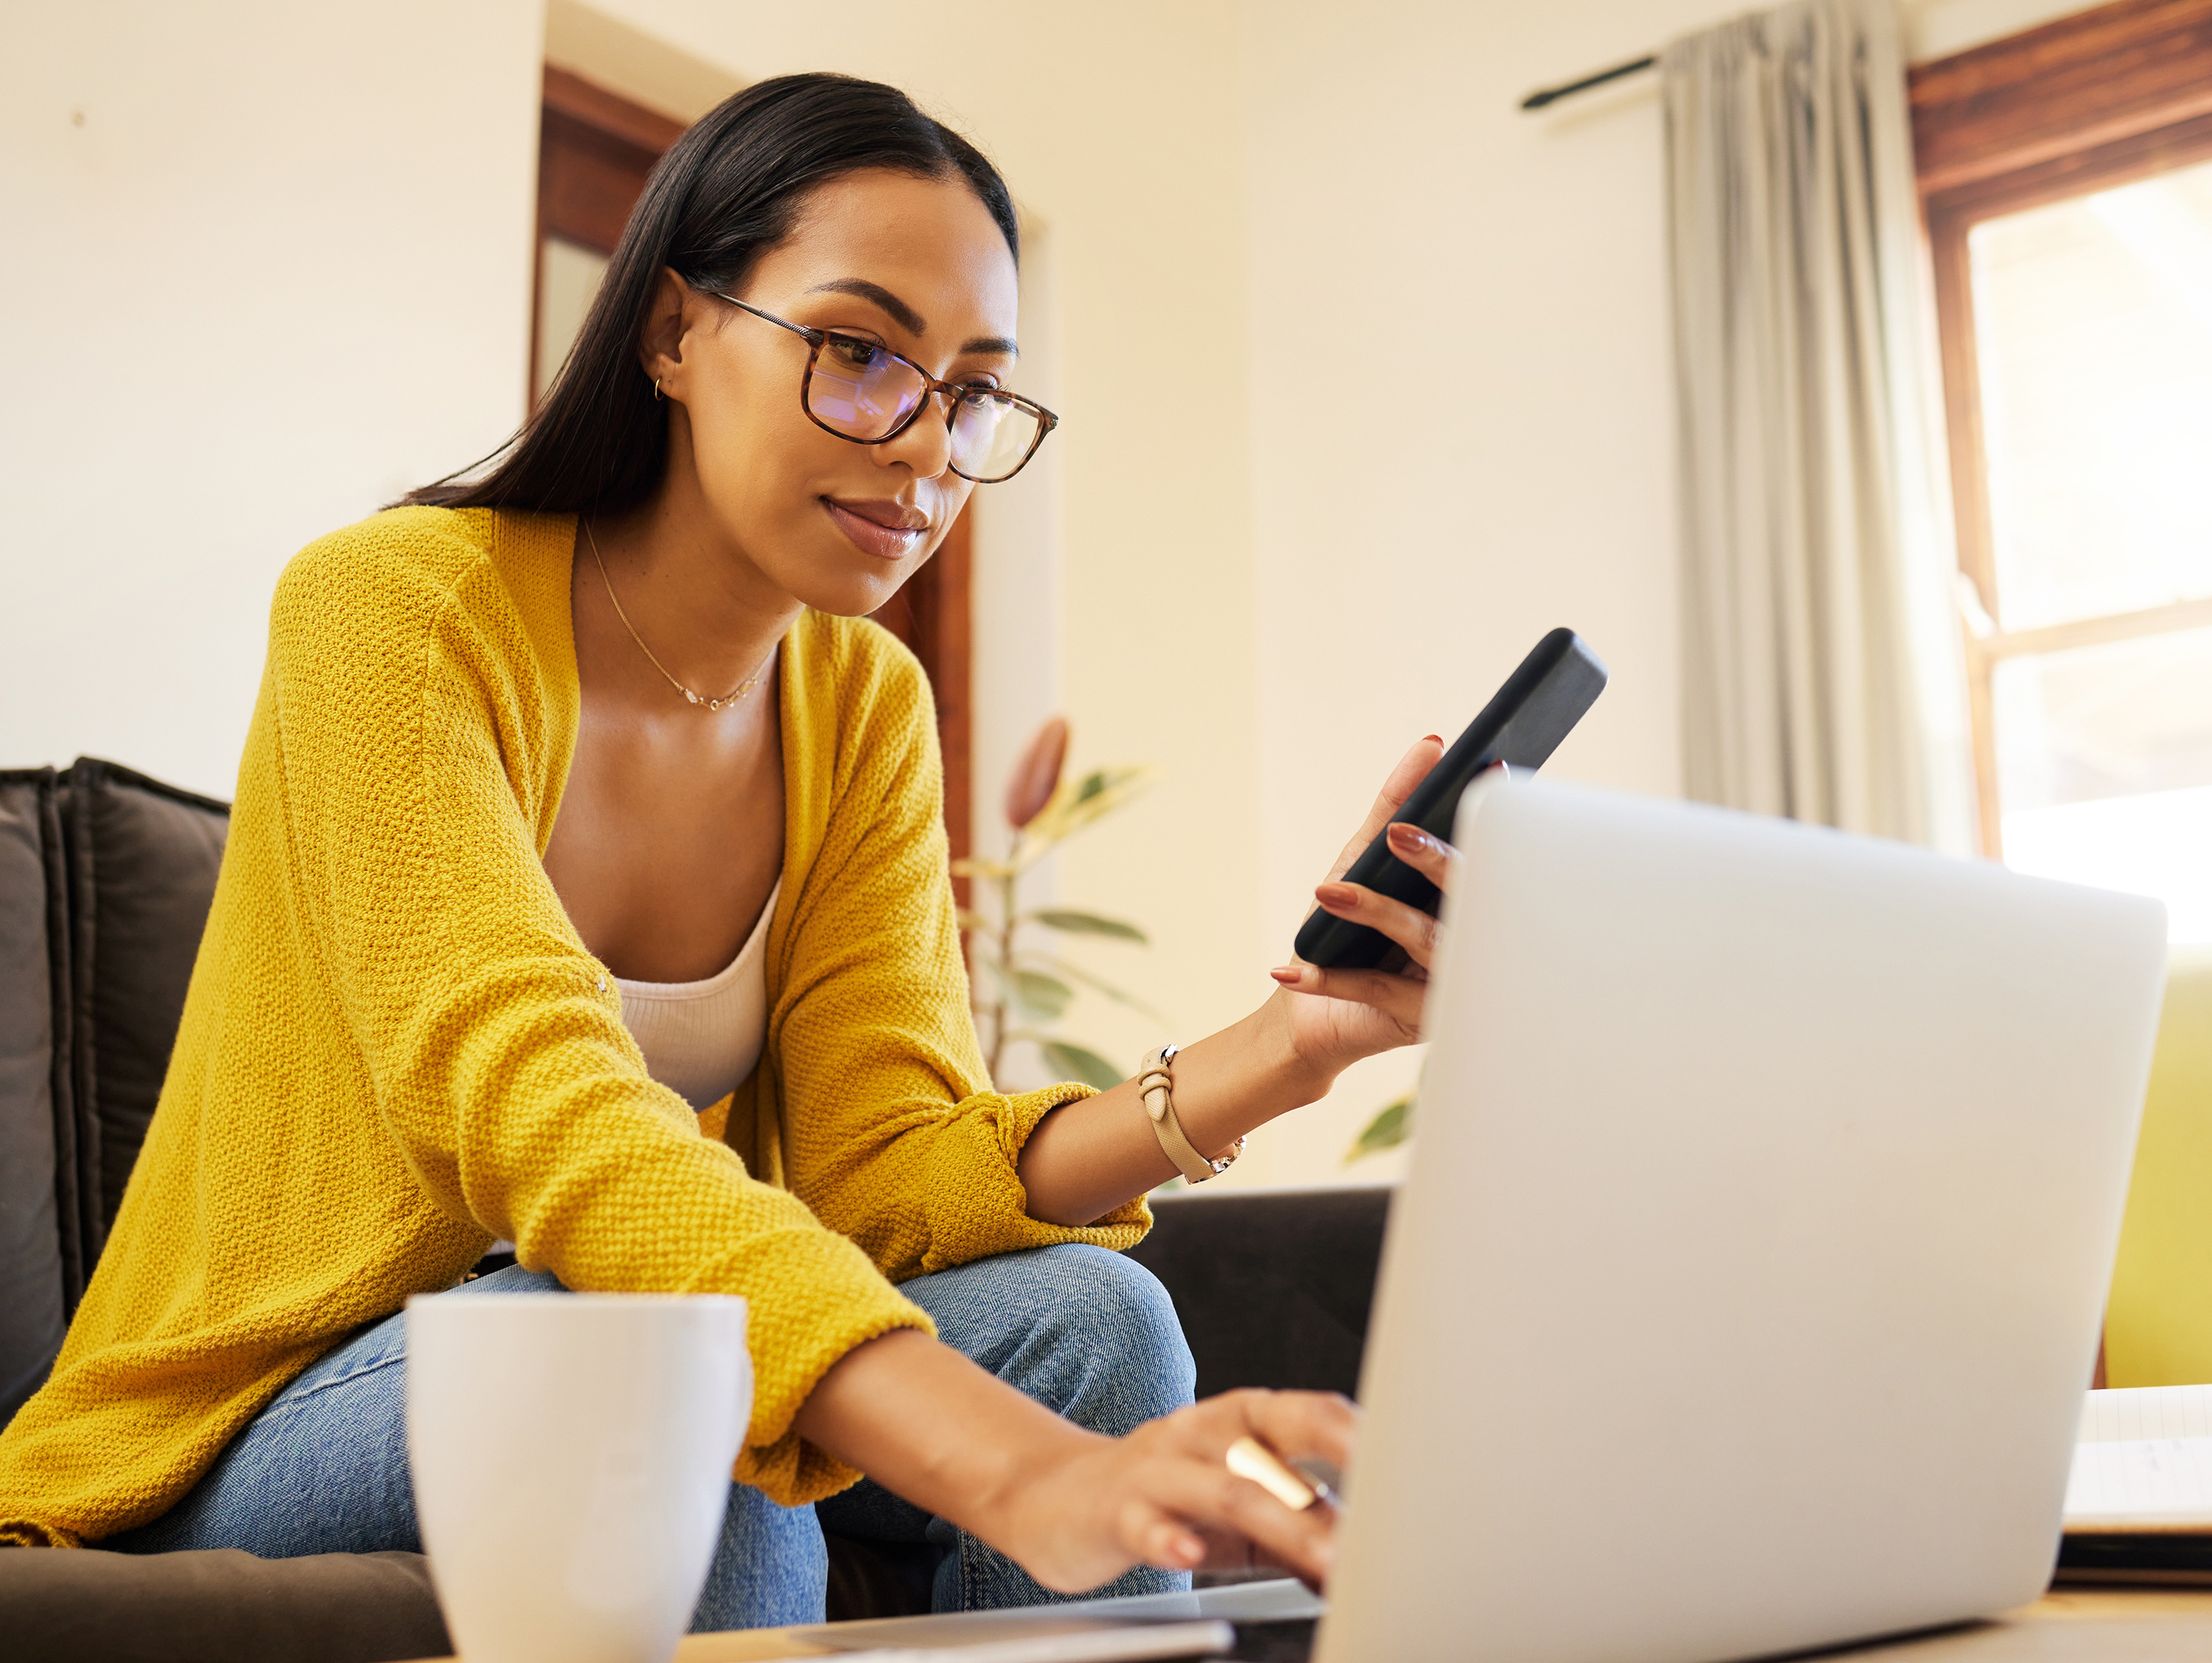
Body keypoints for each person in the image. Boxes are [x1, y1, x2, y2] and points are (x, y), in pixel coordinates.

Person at [0, 72, 1457, 1629]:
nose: (926, 451)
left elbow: (881, 1165)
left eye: (971, 391)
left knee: (1100, 1319)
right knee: (668, 1387)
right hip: (264, 1411)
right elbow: (548, 1110)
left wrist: (1286, 1053)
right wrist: (1028, 1476)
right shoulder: (394, 609)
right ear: (677, 332)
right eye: (858, 355)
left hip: (620, 1329)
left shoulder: (862, 703)